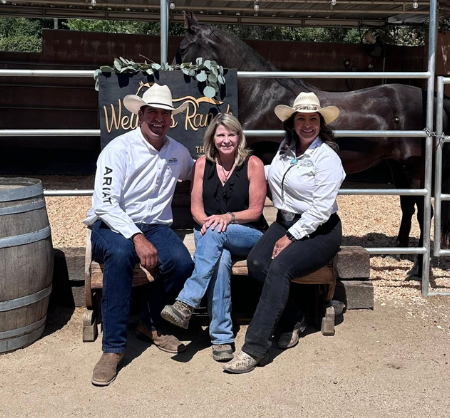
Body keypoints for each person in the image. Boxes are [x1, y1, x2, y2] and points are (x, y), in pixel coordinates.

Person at [224, 92, 346, 374]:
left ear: (320, 123)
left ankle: (253, 349)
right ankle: (294, 318)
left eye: (312, 119)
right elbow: (273, 174)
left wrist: (291, 236)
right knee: (256, 263)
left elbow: (320, 210)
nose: (306, 124)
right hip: (285, 221)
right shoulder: (286, 147)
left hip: (320, 230)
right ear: (292, 123)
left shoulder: (326, 158)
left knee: (278, 268)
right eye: (300, 118)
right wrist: (241, 168)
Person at [85, 85, 195, 387]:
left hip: (156, 226)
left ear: (171, 119)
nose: (159, 119)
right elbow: (105, 205)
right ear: (141, 114)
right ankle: (113, 348)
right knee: (119, 257)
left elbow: (196, 172)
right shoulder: (117, 150)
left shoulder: (178, 152)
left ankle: (150, 323)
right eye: (153, 112)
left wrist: (242, 169)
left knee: (182, 263)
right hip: (112, 225)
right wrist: (135, 236)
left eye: (165, 113)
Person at [161, 114, 266, 362]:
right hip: (210, 231)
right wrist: (209, 222)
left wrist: (227, 218)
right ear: (212, 138)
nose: (226, 140)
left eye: (231, 134)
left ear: (239, 137)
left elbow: (255, 211)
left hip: (247, 232)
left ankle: (187, 301)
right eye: (221, 135)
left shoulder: (253, 164)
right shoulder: (201, 164)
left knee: (216, 236)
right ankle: (221, 339)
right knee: (219, 263)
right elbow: (196, 209)